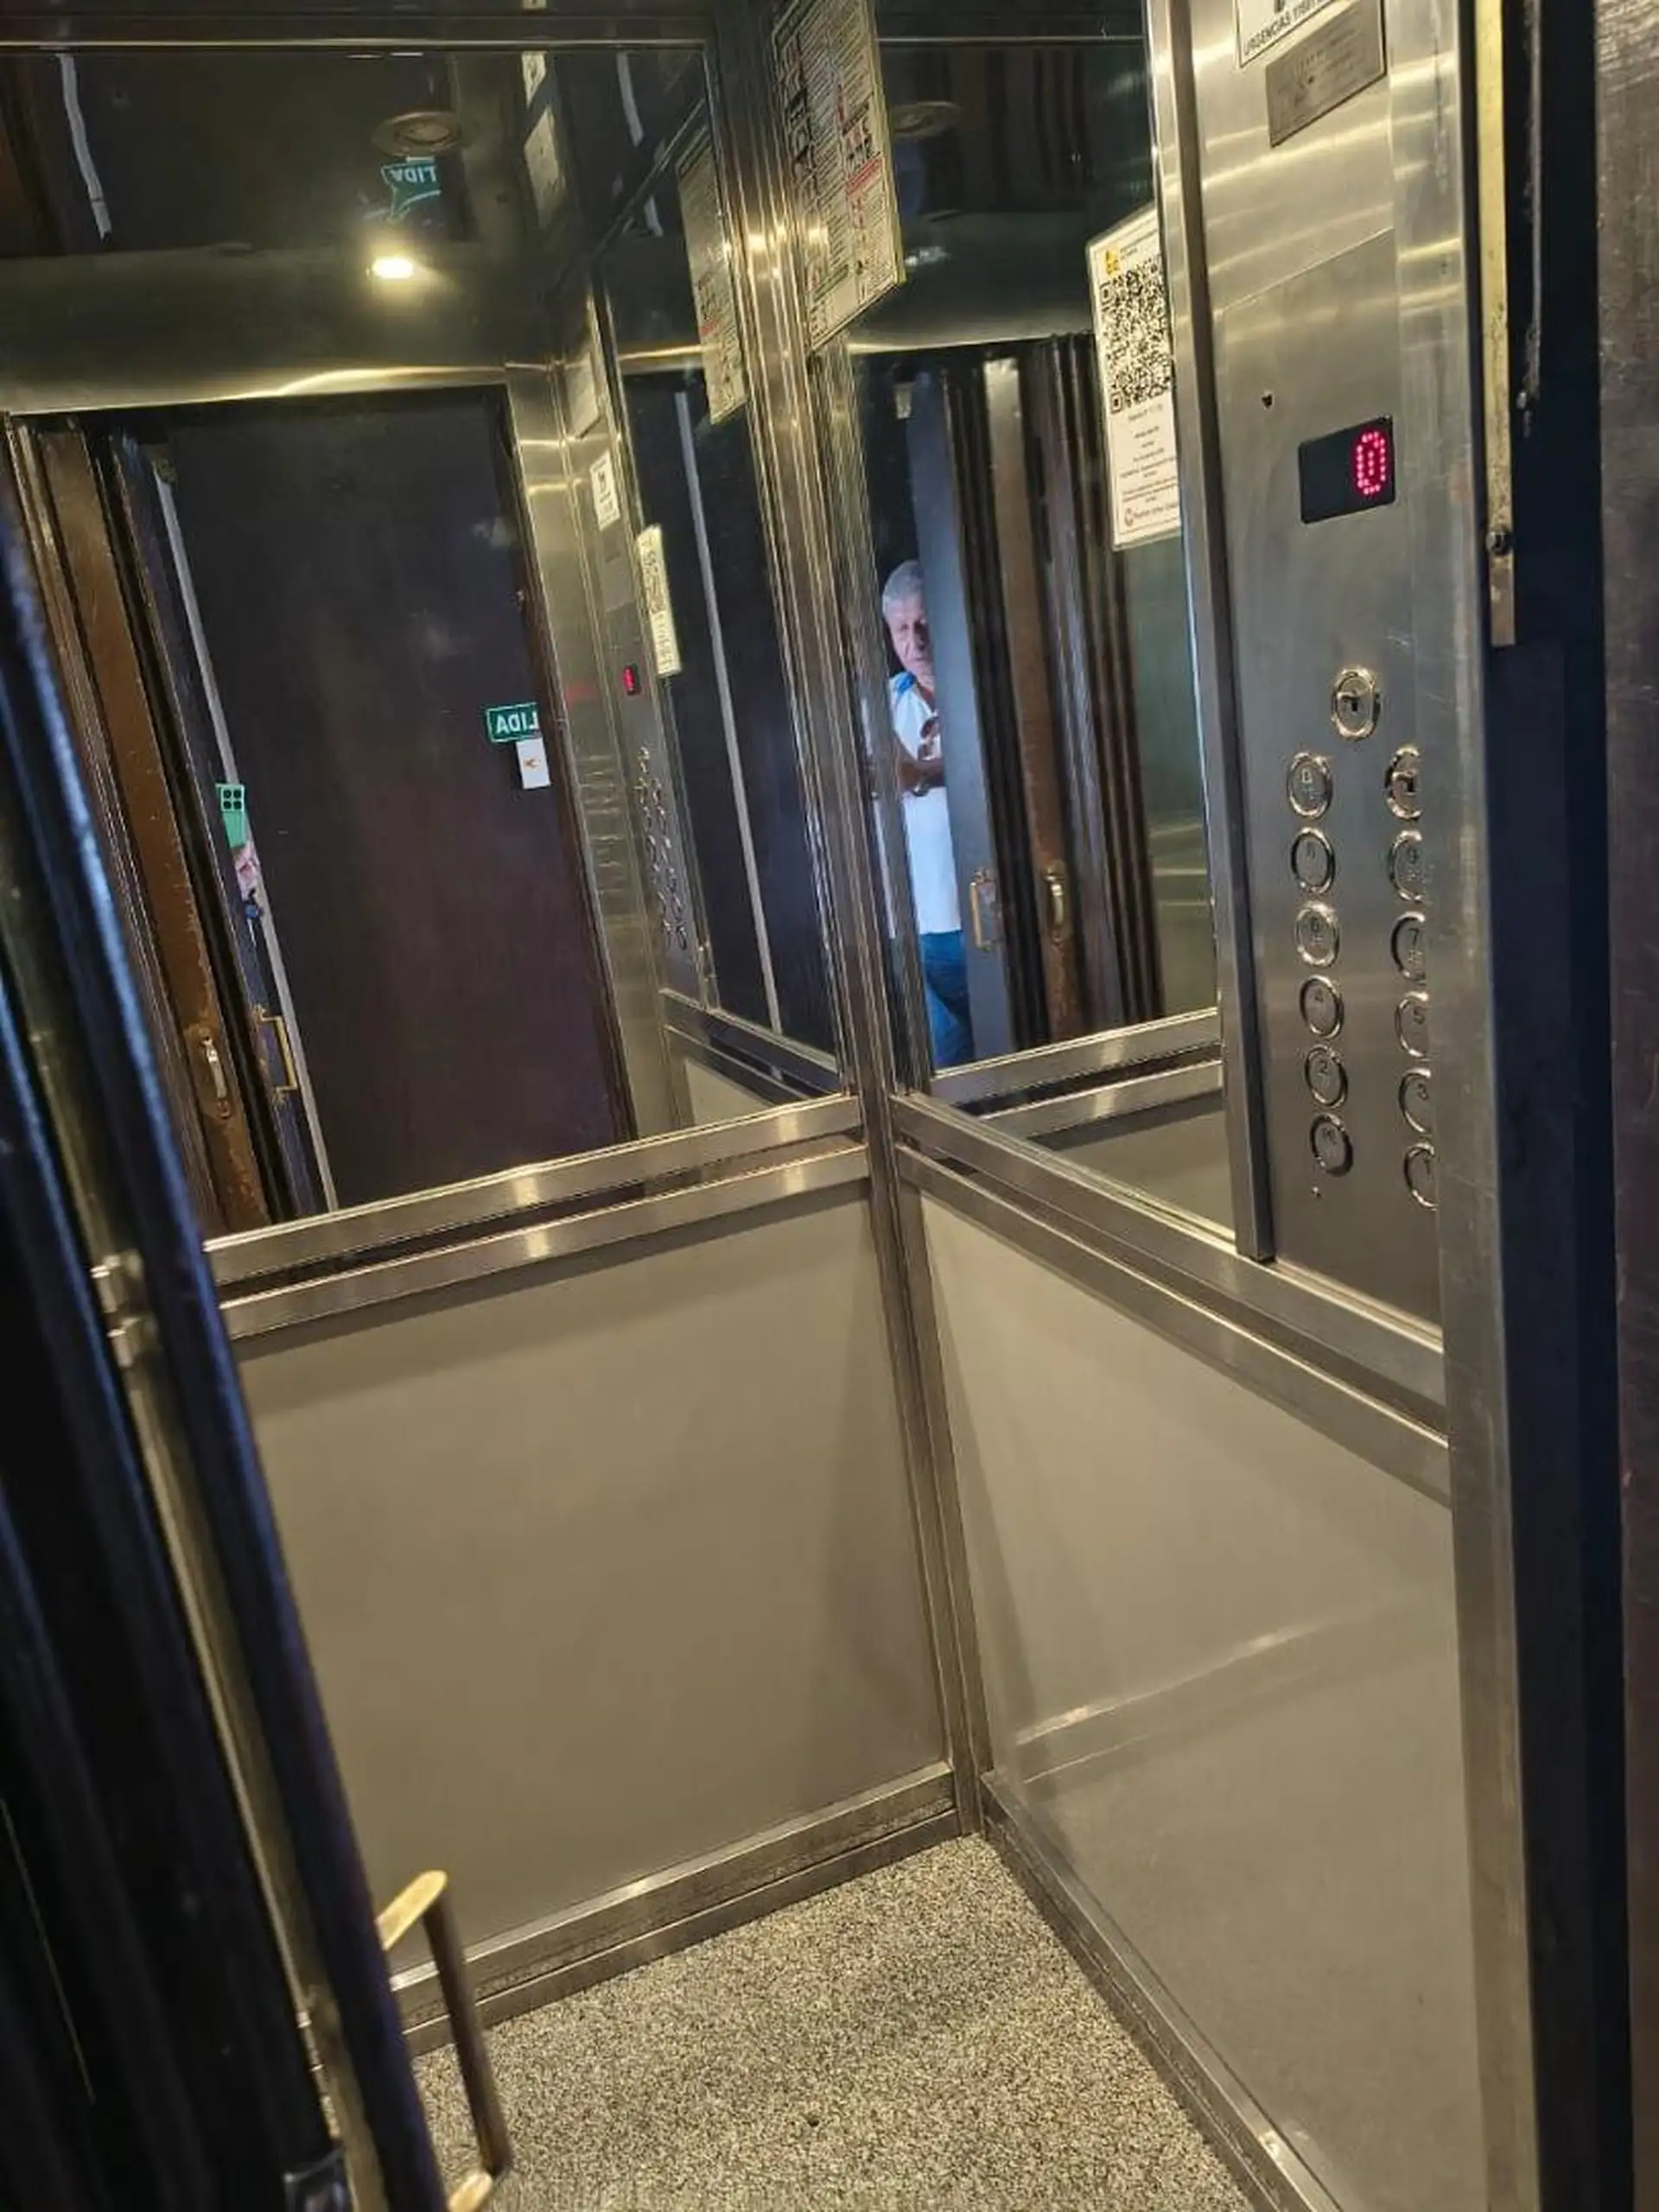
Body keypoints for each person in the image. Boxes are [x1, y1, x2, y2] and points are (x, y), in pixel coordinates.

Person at [882, 560, 975, 1067]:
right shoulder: (883, 704)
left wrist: (920, 773)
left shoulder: (976, 685)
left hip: (982, 915)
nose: (914, 641)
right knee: (947, 1061)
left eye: (923, 623)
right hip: (917, 923)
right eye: (901, 629)